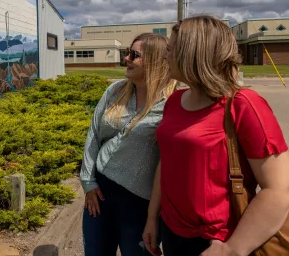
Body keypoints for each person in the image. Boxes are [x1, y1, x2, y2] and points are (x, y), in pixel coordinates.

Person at [143, 15, 289, 256]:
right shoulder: (174, 101)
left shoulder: (244, 104)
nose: (163, 55)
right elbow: (166, 162)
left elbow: (278, 191)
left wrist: (232, 249)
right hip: (171, 232)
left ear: (193, 54)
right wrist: (152, 218)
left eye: (170, 49)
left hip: (218, 242)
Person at [80, 33, 177, 256]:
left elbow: (169, 161)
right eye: (127, 53)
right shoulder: (114, 91)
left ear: (154, 61)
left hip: (141, 204)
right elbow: (94, 134)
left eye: (134, 55)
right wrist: (88, 181)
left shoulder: (172, 103)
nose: (126, 59)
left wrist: (154, 216)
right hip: (100, 194)